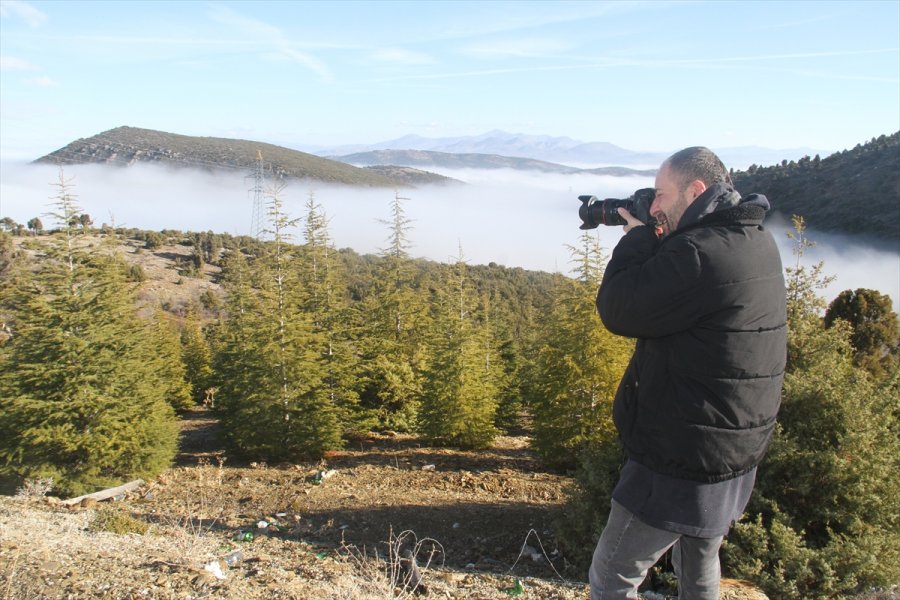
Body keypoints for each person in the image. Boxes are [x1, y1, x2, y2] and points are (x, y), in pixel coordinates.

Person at [589, 147, 787, 599]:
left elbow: (619, 308)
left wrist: (637, 237)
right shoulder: (754, 239)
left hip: (683, 456)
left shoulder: (699, 255)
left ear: (697, 191)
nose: (654, 205)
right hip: (734, 449)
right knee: (698, 562)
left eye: (661, 194)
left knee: (612, 575)